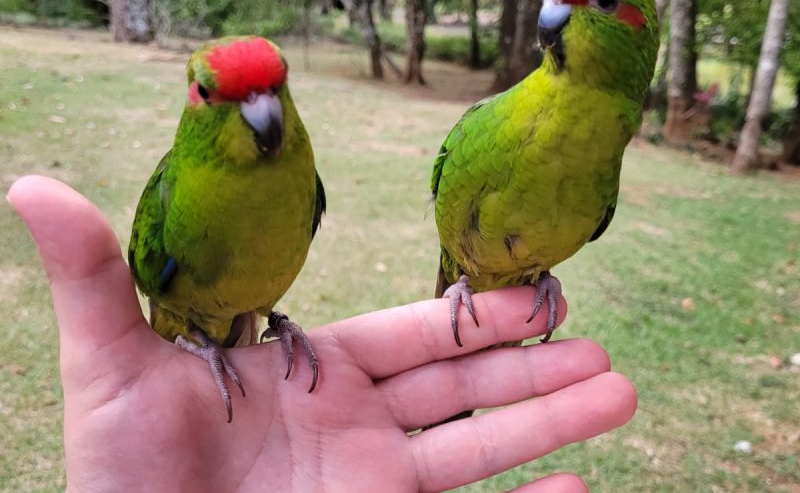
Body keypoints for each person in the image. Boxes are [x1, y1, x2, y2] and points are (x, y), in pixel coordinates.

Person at [8, 175, 637, 492]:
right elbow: (155, 278)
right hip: (186, 316)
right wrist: (196, 338)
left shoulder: (302, 184)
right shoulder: (175, 192)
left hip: (261, 319)